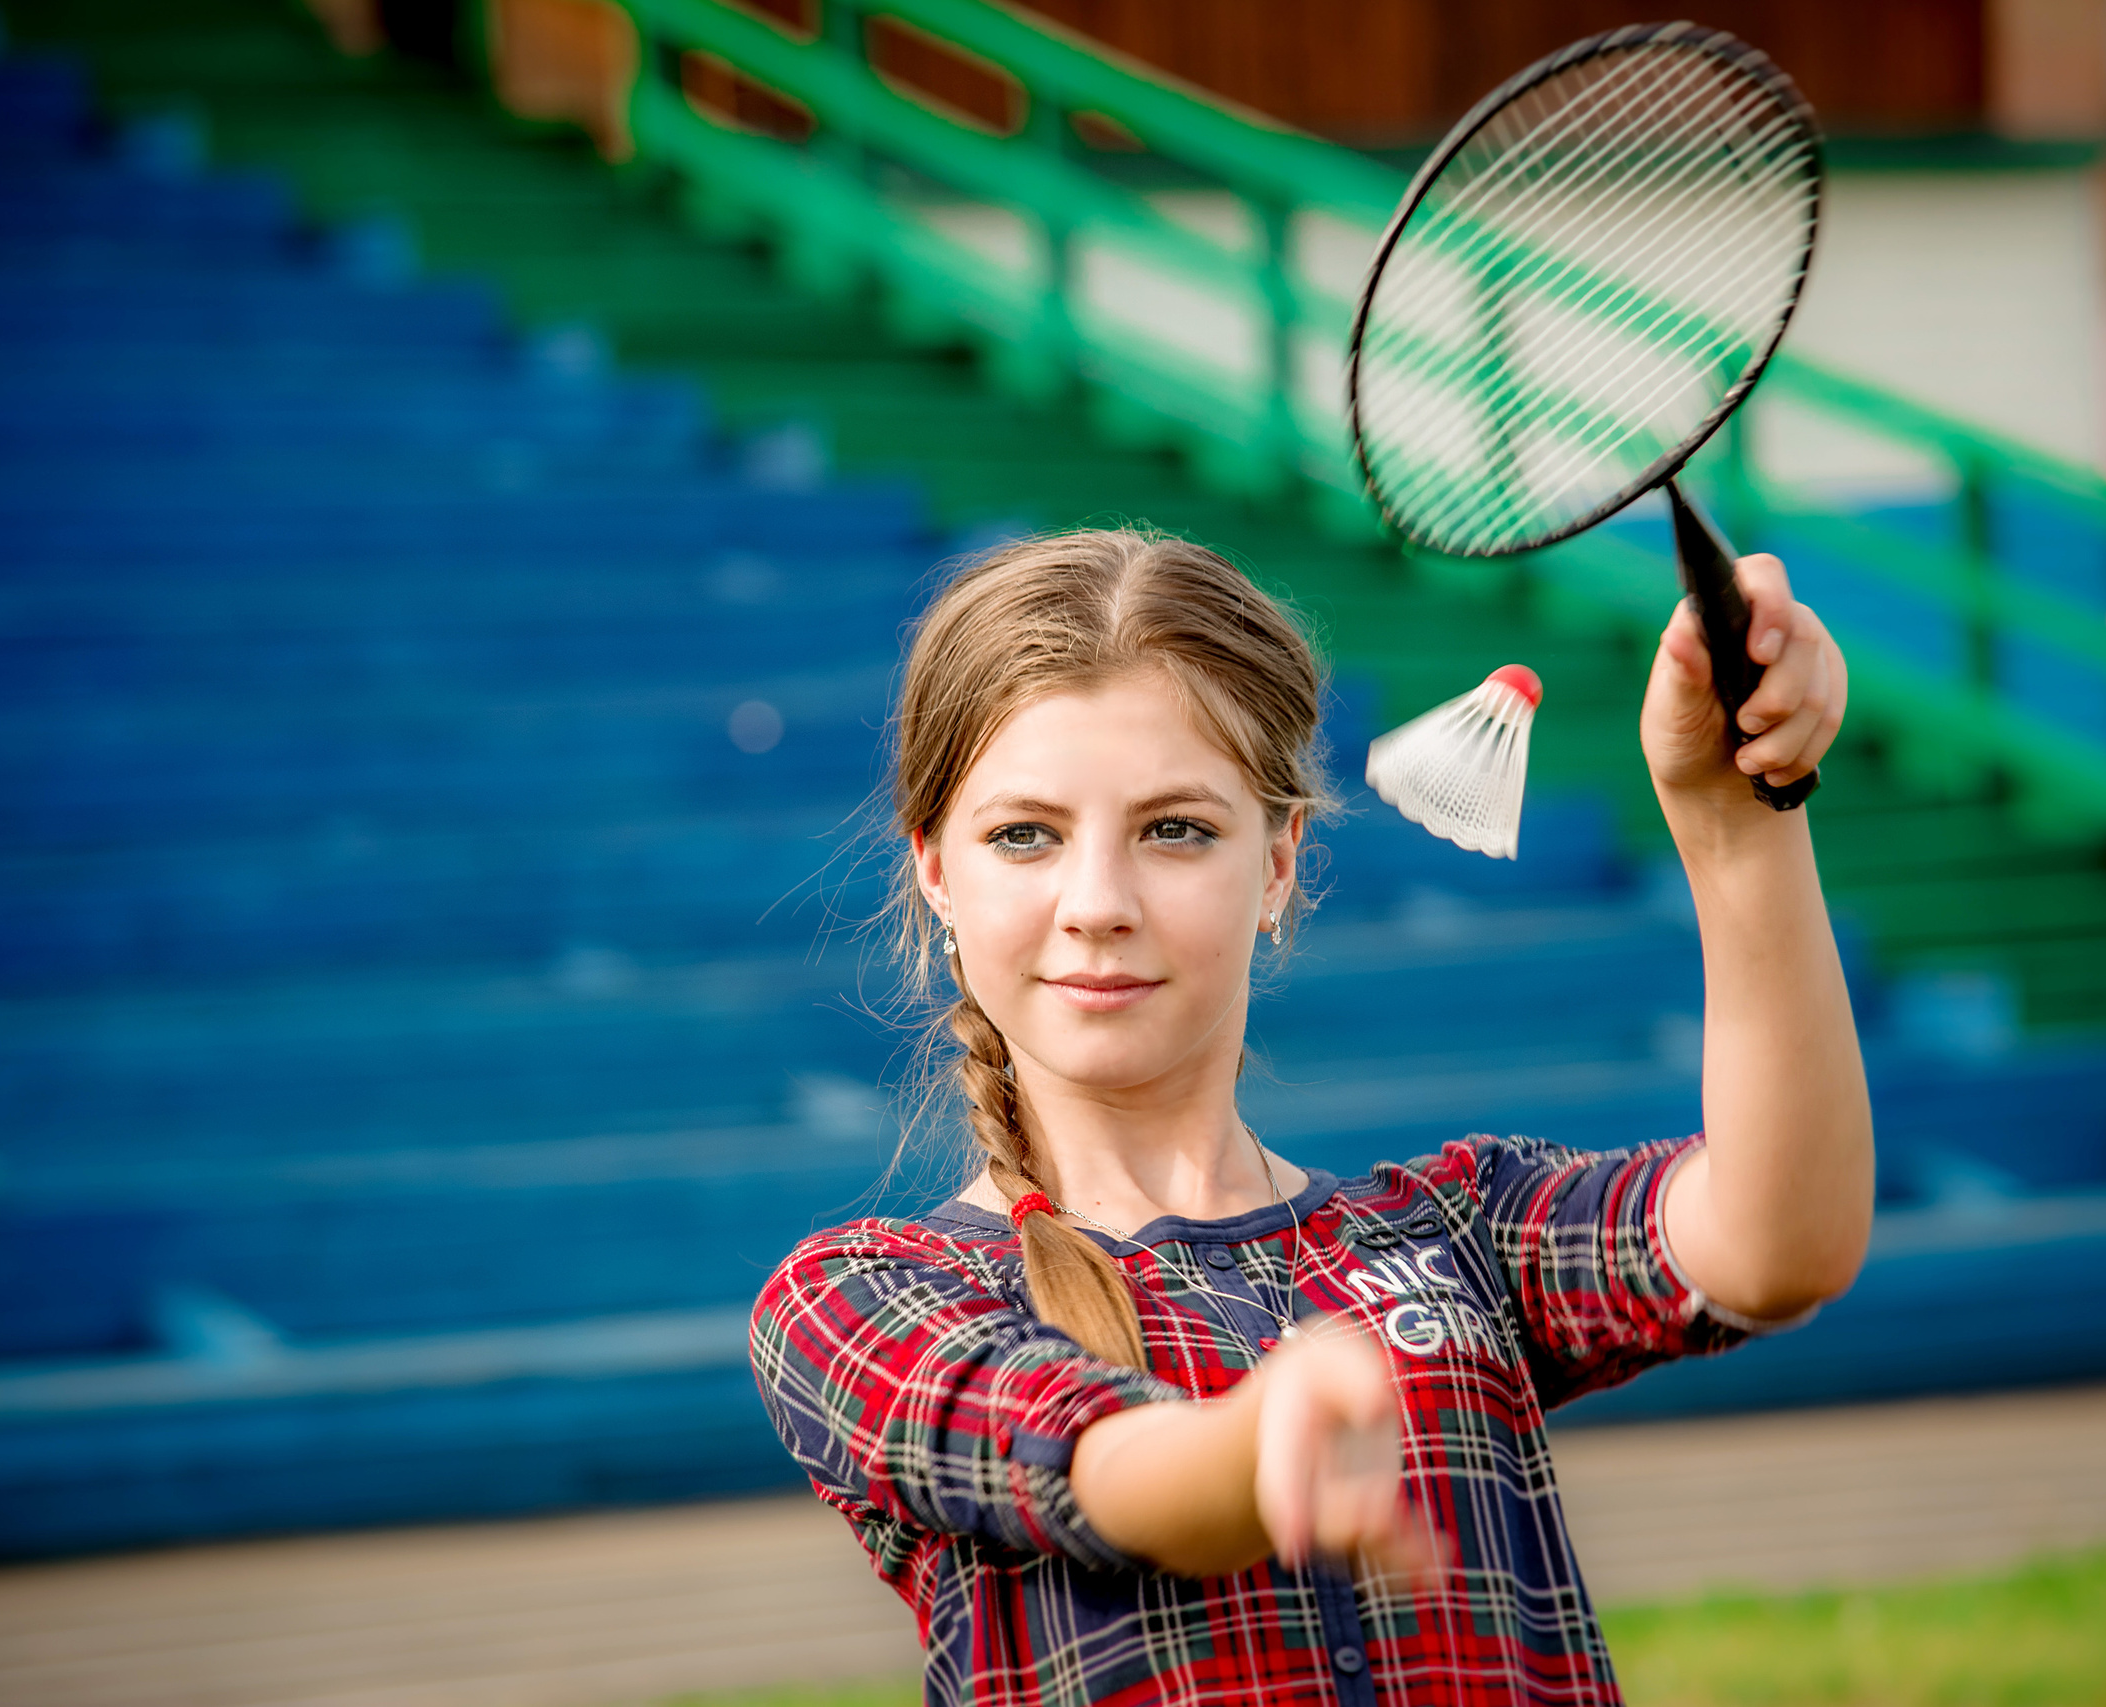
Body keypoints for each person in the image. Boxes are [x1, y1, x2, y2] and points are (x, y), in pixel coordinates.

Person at [749, 527, 1871, 1704]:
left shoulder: (1458, 1229)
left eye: (1175, 829)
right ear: (936, 871)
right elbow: (1105, 1468)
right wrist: (1255, 1441)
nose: (1097, 903)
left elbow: (1779, 1244)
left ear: (1279, 861)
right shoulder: (856, 1298)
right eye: (1023, 835)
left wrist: (1734, 822)